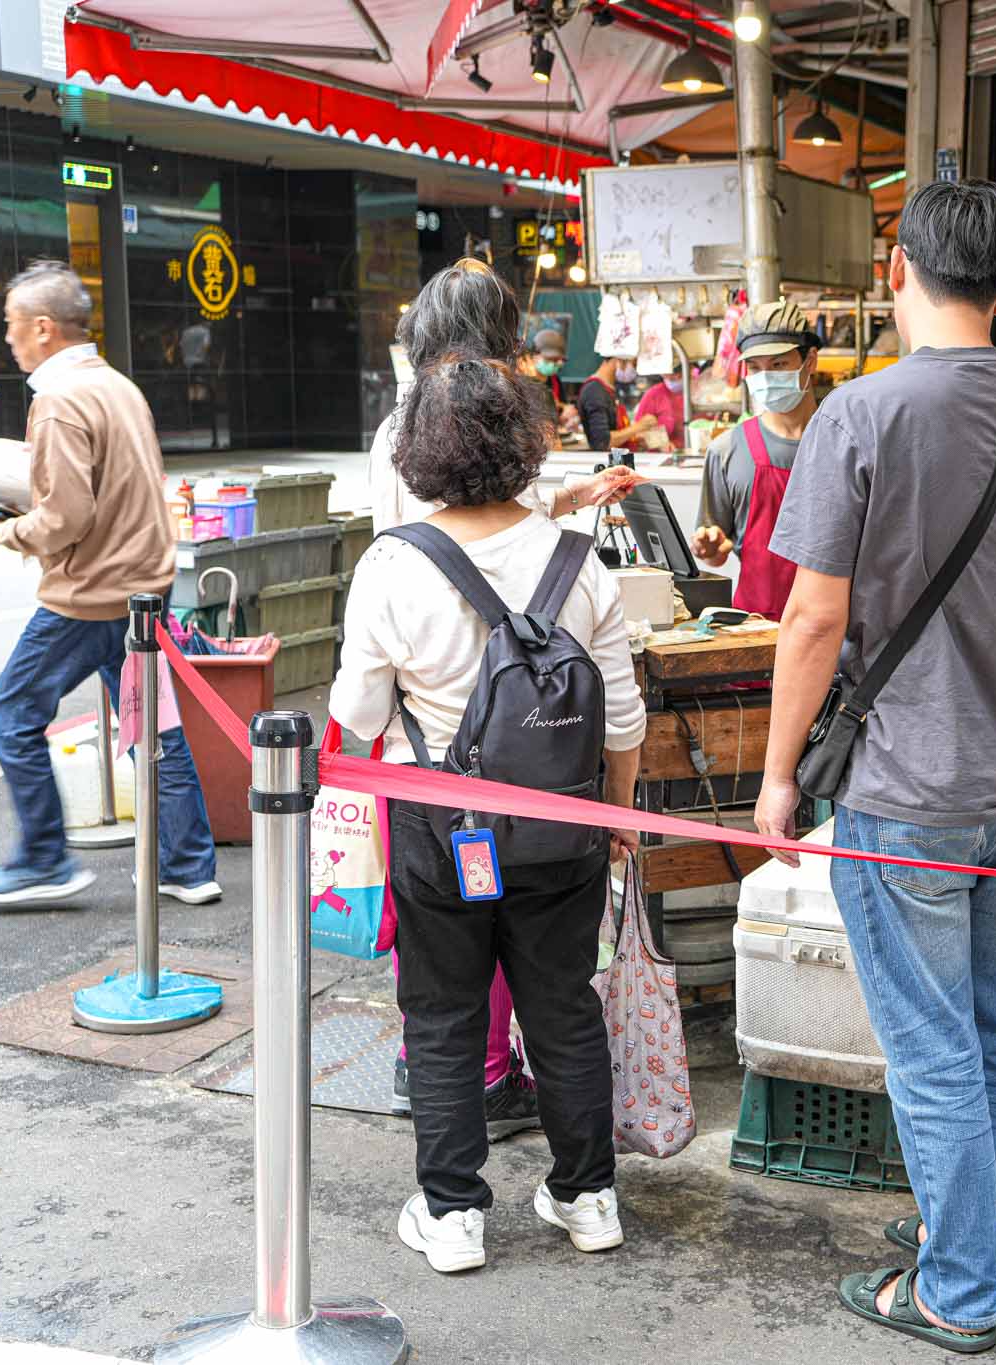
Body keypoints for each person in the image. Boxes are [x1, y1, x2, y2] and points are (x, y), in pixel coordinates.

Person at [753, 179, 996, 1353]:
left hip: (904, 795)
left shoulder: (858, 417)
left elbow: (812, 620)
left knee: (930, 1047)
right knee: (993, 1023)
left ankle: (955, 1290)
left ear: (895, 269)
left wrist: (777, 775)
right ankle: (989, 1236)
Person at [329, 355, 645, 1274]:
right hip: (565, 827)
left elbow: (356, 716)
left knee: (443, 1014)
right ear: (525, 444)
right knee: (564, 1008)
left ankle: (454, 1212)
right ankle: (588, 1197)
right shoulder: (579, 561)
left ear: (419, 452)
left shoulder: (393, 564)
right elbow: (622, 719)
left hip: (439, 830)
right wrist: (619, 818)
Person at [369, 258, 640, 1136]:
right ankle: (569, 1166)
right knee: (551, 986)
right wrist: (618, 810)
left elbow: (481, 526)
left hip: (435, 734)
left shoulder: (425, 433)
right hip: (504, 726)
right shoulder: (472, 422)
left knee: (448, 970)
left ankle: (456, 1159)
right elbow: (478, 539)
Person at [0, 260, 220, 906]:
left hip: (91, 595)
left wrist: (2, 530)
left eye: (12, 324)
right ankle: (187, 865)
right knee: (151, 728)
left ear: (44, 328)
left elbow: (66, 517)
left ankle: (44, 859)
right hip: (143, 588)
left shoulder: (58, 401)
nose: (8, 337)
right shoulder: (118, 386)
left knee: (9, 714)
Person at [370, 261, 640, 533]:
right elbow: (501, 528)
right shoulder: (486, 420)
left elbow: (513, 513)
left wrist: (580, 493)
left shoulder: (392, 430)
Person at [689, 299, 822, 619]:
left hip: (832, 630)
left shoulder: (843, 444)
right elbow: (717, 552)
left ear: (810, 361)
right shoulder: (726, 451)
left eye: (778, 364)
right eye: (755, 368)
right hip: (755, 629)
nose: (766, 377)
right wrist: (709, 549)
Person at [576, 351, 653, 451]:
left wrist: (634, 439)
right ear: (618, 360)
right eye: (634, 364)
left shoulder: (611, 388)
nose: (635, 370)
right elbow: (603, 442)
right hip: (607, 459)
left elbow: (617, 430)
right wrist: (638, 427)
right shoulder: (594, 391)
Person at [631, 370, 685, 449]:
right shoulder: (654, 394)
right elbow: (638, 433)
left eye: (679, 373)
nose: (676, 376)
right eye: (672, 373)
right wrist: (661, 443)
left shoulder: (698, 391)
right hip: (662, 454)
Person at [529, 326, 569, 407]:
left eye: (560, 360)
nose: (558, 363)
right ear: (535, 355)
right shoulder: (523, 383)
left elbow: (563, 404)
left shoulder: (555, 382)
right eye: (552, 359)